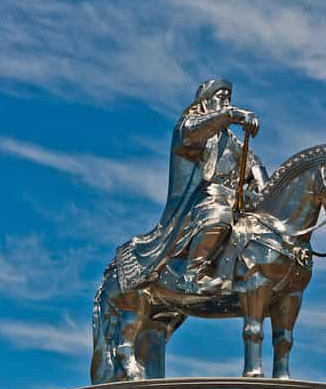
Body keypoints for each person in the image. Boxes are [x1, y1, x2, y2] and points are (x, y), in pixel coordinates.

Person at [115, 79, 268, 293]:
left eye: (229, 99)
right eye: (221, 97)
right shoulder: (189, 126)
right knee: (218, 215)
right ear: (205, 101)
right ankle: (193, 275)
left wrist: (263, 185)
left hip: (236, 200)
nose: (226, 102)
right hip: (205, 198)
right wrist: (233, 115)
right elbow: (193, 133)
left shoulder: (230, 139)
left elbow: (251, 160)